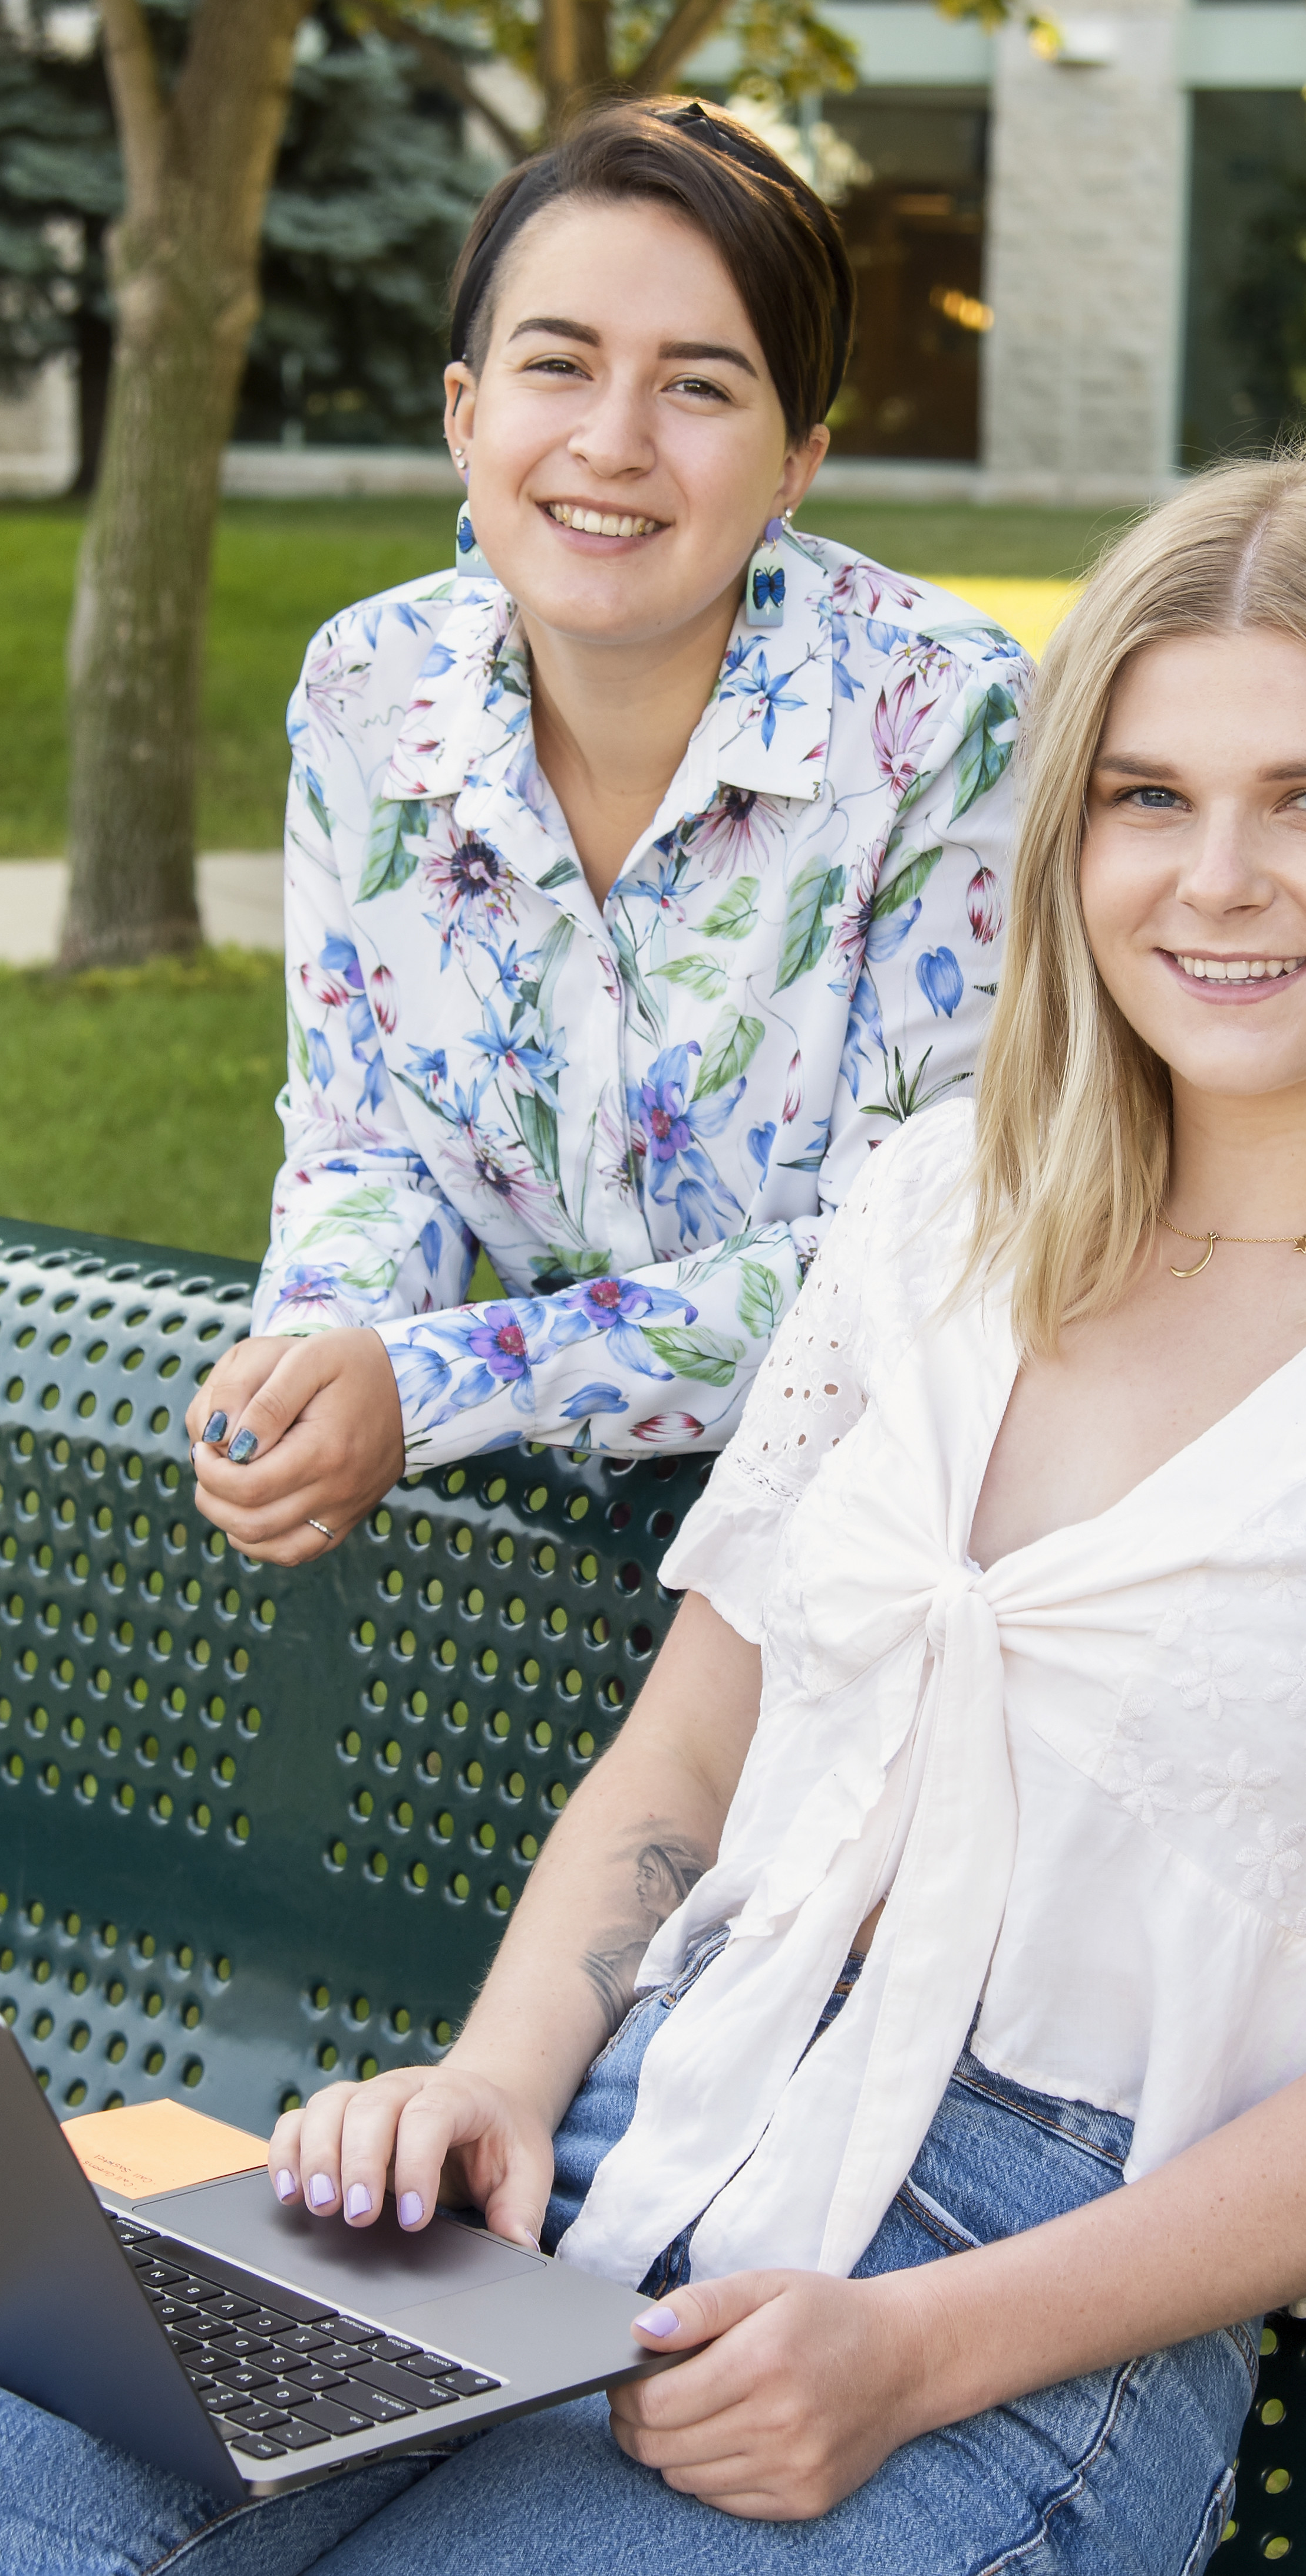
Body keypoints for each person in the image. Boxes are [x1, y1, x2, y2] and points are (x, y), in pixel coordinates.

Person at [0, 452, 1306, 2574]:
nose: (1214, 879)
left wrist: (913, 2353)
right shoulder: (939, 1218)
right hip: (634, 2128)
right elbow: (695, 1750)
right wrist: (489, 2086)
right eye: (1141, 797)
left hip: (1026, 2278)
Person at [187, 100, 1029, 1570]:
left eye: (698, 386)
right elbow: (366, 1134)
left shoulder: (942, 720)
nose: (612, 440)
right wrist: (320, 1352)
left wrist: (442, 1383)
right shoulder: (366, 689)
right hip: (501, 1539)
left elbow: (894, 1262)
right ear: (465, 413)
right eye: (557, 363)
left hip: (864, 1540)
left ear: (795, 461)